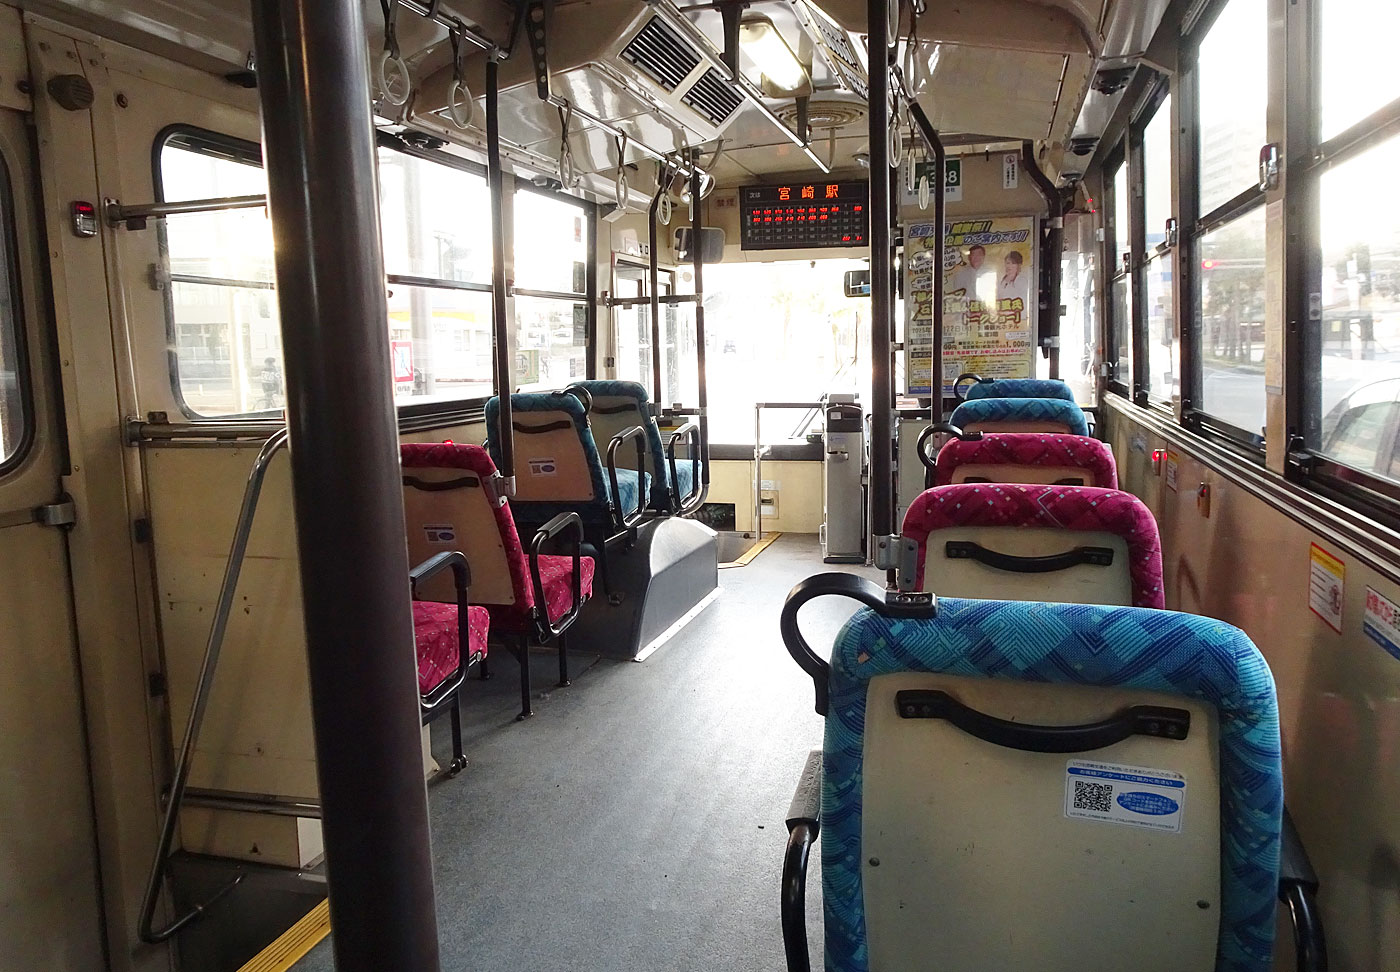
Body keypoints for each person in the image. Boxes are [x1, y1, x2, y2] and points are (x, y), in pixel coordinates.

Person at [997, 250, 1031, 316]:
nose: (1009, 266)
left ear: (1018, 265)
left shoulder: (1022, 281)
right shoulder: (1002, 280)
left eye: (1013, 263)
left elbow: (1021, 302)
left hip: (1017, 317)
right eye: (1008, 263)